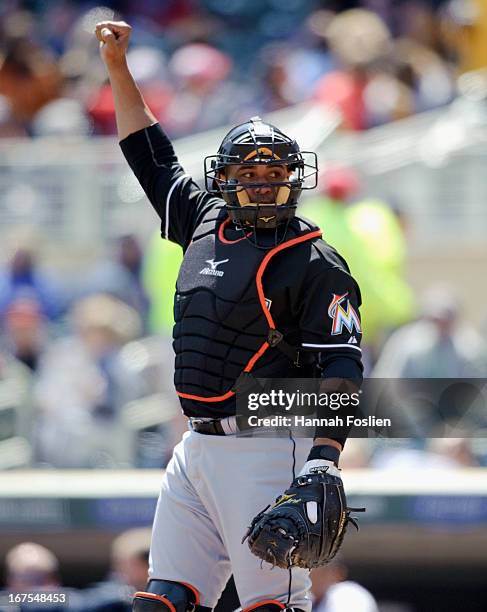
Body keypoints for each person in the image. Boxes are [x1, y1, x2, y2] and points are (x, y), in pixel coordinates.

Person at [95, 20, 364, 612]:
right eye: (250, 175)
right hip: (195, 446)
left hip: (267, 446)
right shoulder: (204, 218)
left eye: (276, 176)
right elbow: (149, 156)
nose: (264, 186)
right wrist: (118, 67)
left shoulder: (314, 260)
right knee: (161, 600)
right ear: (226, 179)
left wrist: (325, 458)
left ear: (295, 181)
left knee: (270, 606)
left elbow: (341, 365)